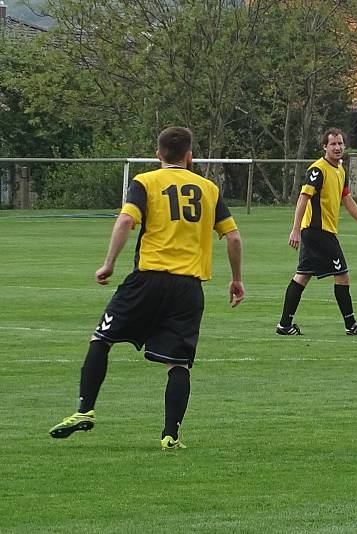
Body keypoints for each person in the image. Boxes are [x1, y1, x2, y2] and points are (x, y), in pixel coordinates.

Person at [49, 127, 245, 450]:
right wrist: (236, 279)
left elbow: (126, 221)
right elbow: (234, 237)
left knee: (101, 337)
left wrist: (109, 263)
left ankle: (85, 410)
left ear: (158, 155)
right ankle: (170, 436)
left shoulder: (145, 182)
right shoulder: (209, 189)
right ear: (189, 157)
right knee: (178, 364)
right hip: (189, 287)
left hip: (148, 279)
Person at [276, 127, 357, 336]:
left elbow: (346, 199)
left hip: (321, 232)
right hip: (317, 231)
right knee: (343, 276)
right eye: (333, 144)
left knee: (302, 277)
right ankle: (351, 325)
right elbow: (303, 198)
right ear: (324, 147)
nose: (338, 147)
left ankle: (284, 325)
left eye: (340, 143)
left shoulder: (340, 169)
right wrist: (295, 230)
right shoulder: (317, 170)